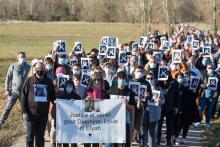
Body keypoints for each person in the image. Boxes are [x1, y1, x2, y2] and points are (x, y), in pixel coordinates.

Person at [20, 61, 55, 147]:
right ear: (35, 70)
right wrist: (24, 112)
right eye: (38, 69)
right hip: (30, 114)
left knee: (40, 137)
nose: (40, 70)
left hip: (43, 115)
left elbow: (53, 97)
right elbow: (23, 97)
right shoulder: (29, 80)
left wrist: (62, 102)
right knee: (30, 137)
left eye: (42, 69)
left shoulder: (49, 82)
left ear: (45, 70)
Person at [0, 52, 30, 126]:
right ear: (17, 58)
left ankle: (26, 125)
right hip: (13, 91)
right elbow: (8, 78)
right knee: (8, 107)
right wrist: (7, 89)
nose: (22, 58)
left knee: (25, 108)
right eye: (21, 57)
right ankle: (1, 122)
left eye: (24, 57)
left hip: (24, 92)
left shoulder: (29, 67)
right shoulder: (13, 66)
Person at [108, 71, 136, 147]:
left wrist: (126, 105)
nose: (122, 80)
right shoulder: (111, 91)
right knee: (114, 143)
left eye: (123, 78)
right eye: (120, 78)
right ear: (117, 79)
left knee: (126, 143)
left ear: (126, 80)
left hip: (125, 121)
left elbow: (133, 108)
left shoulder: (130, 92)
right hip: (113, 121)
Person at [50, 80, 81, 147]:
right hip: (65, 124)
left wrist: (76, 103)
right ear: (65, 87)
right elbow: (57, 112)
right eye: (67, 86)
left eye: (70, 86)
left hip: (74, 124)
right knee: (65, 142)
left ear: (73, 87)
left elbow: (81, 109)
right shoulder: (61, 98)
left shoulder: (77, 97)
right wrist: (56, 124)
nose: (69, 88)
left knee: (73, 142)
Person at [139, 71, 165, 147]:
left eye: (151, 78)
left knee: (153, 137)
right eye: (148, 78)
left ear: (154, 79)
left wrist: (160, 101)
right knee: (143, 136)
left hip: (154, 115)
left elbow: (163, 101)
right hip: (143, 115)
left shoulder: (158, 88)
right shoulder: (142, 87)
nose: (149, 80)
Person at [157, 72, 180, 146]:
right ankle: (158, 139)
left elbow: (177, 95)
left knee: (170, 125)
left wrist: (176, 106)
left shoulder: (174, 82)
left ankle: (168, 140)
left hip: (170, 107)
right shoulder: (158, 81)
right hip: (160, 106)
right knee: (159, 124)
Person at [198, 63, 220, 128]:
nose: (210, 69)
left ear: (213, 68)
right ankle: (199, 122)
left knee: (209, 110)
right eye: (209, 68)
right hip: (204, 95)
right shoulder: (203, 75)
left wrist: (217, 92)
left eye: (211, 68)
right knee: (201, 108)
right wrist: (205, 85)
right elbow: (200, 84)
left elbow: (219, 86)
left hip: (212, 95)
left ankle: (207, 123)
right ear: (206, 69)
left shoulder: (217, 76)